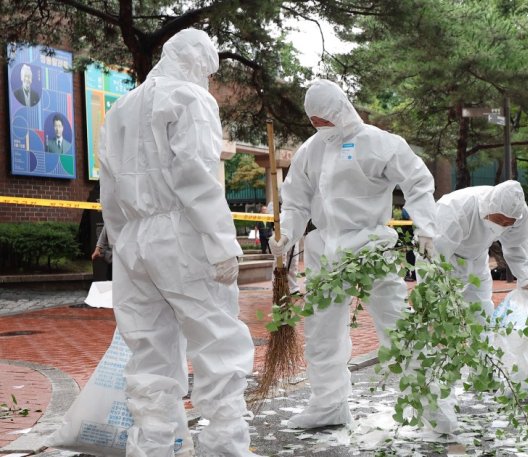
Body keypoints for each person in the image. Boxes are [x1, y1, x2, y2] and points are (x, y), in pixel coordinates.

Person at [98, 29, 259, 456]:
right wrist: (221, 241)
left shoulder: (120, 109)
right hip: (182, 232)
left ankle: (152, 447)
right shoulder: (190, 99)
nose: (207, 77)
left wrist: (122, 244)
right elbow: (197, 176)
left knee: (149, 349)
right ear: (193, 60)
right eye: (206, 68)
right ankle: (225, 447)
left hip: (134, 239)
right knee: (217, 338)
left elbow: (109, 192)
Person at [269, 79, 441, 430]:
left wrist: (426, 227)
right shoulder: (310, 150)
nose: (320, 127)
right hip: (325, 253)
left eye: (326, 120)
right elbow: (296, 200)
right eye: (314, 121)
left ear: (341, 110)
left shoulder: (378, 143)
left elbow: (417, 181)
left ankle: (431, 405)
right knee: (321, 332)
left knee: (397, 325)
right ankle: (328, 405)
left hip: (371, 249)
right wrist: (287, 234)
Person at [433, 180, 528, 320]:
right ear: (490, 208)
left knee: (482, 316)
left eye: (508, 223)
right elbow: (434, 256)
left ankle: (484, 340)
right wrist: (430, 300)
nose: (503, 225)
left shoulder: (519, 213)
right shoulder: (455, 208)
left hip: (478, 259)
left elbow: (516, 245)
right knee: (443, 316)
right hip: (447, 260)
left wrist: (527, 280)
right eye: (500, 219)